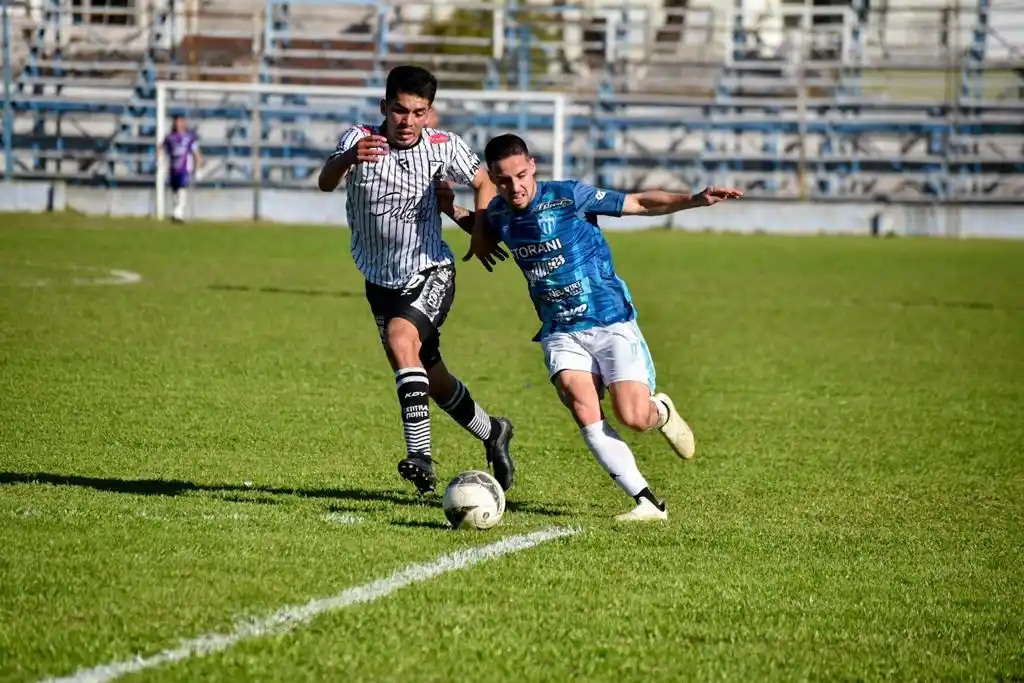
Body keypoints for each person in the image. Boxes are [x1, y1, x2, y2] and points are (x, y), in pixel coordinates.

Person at [466, 133, 742, 521]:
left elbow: (639, 203)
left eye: (521, 175)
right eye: (504, 180)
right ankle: (647, 502)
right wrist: (453, 210)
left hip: (610, 319)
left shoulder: (569, 196)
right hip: (560, 329)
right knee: (580, 402)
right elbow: (481, 227)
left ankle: (660, 412)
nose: (515, 186)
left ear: (533, 167)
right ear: (494, 179)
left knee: (633, 417)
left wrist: (694, 199)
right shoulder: (498, 213)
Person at [317, 66, 515, 495]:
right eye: (400, 111)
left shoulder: (444, 146)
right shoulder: (357, 139)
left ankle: (420, 455)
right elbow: (325, 181)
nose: (407, 121)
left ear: (430, 113)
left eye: (418, 112)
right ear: (384, 107)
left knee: (401, 341)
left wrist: (479, 231)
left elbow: (483, 181)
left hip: (429, 270)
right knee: (430, 375)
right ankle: (493, 430)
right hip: (379, 281)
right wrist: (349, 159)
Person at [159, 115, 203, 222]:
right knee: (174, 191)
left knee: (182, 189)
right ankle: (176, 211)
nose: (178, 124)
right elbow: (160, 148)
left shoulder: (189, 138)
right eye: (176, 122)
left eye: (180, 122)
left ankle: (179, 212)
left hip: (185, 167)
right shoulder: (170, 137)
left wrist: (198, 168)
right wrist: (159, 163)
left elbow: (196, 153)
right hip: (173, 167)